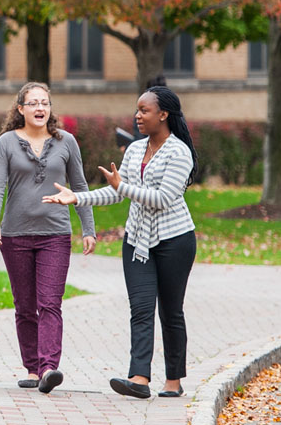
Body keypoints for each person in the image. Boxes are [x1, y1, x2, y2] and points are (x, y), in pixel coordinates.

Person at [44, 86, 198, 399]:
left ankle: (173, 381)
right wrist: (77, 197)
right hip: (137, 242)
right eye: (137, 110)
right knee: (141, 309)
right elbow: (116, 192)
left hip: (174, 241)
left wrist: (124, 188)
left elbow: (165, 198)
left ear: (163, 114)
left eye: (145, 110)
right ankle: (139, 378)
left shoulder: (179, 152)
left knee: (171, 311)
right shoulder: (136, 149)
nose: (138, 116)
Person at [0, 82, 96, 394]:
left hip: (55, 234)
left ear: (50, 108)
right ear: (20, 109)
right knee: (24, 305)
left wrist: (88, 228)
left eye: (44, 103)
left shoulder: (66, 142)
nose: (39, 108)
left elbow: (80, 186)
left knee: (50, 302)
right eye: (33, 103)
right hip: (15, 234)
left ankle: (49, 367)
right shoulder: (7, 142)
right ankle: (32, 368)